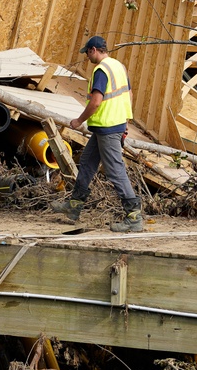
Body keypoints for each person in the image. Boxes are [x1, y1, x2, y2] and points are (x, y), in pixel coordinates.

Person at [50, 35, 143, 232]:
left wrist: (79, 120)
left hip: (107, 126)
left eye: (87, 53)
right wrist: (126, 120)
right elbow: (129, 94)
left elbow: (96, 101)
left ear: (93, 50)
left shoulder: (101, 70)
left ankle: (133, 216)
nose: (87, 58)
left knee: (115, 170)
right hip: (111, 125)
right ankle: (74, 206)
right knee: (87, 162)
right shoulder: (118, 66)